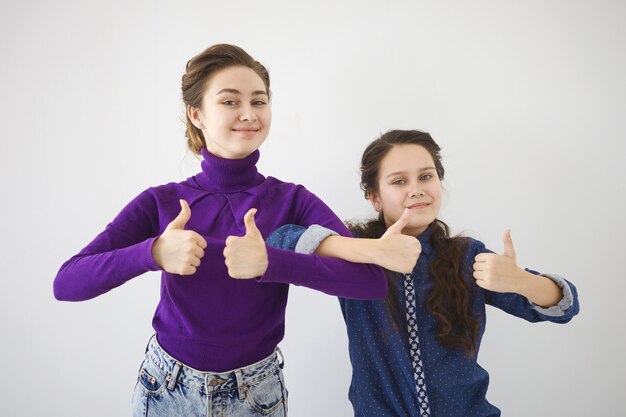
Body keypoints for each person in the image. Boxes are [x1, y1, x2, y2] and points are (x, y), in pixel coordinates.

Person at [53, 45, 421, 417]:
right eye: (230, 102)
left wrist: (272, 263)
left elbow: (370, 283)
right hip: (166, 391)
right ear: (196, 114)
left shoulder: (292, 200)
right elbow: (67, 282)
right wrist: (153, 253)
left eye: (259, 102)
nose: (249, 114)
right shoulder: (160, 202)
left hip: (256, 396)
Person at [265, 129, 580, 416]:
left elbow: (565, 307)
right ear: (375, 197)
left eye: (426, 177)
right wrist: (366, 252)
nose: (416, 190)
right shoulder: (354, 251)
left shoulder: (466, 255)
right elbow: (277, 241)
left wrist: (522, 281)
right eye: (399, 181)